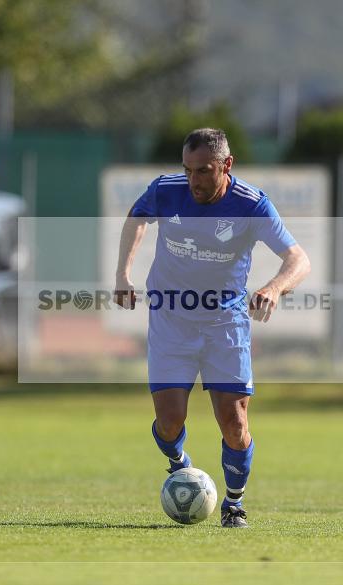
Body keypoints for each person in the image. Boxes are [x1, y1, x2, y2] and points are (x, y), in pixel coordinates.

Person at [114, 128, 310, 528]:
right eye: (187, 170)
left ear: (226, 165)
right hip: (171, 318)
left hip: (225, 322)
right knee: (170, 421)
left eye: (203, 171)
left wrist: (274, 287)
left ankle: (234, 503)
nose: (194, 181)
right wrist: (123, 273)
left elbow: (298, 258)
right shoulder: (166, 190)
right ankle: (179, 465)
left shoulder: (251, 205)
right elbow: (137, 216)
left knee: (234, 422)